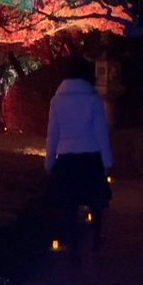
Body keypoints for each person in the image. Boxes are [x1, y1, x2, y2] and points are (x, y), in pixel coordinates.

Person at [45, 56, 113, 255]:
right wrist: (107, 161)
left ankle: (74, 245)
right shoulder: (93, 99)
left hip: (66, 159)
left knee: (70, 204)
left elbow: (53, 133)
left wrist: (49, 162)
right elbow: (101, 132)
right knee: (95, 200)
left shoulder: (57, 100)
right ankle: (96, 237)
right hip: (90, 157)